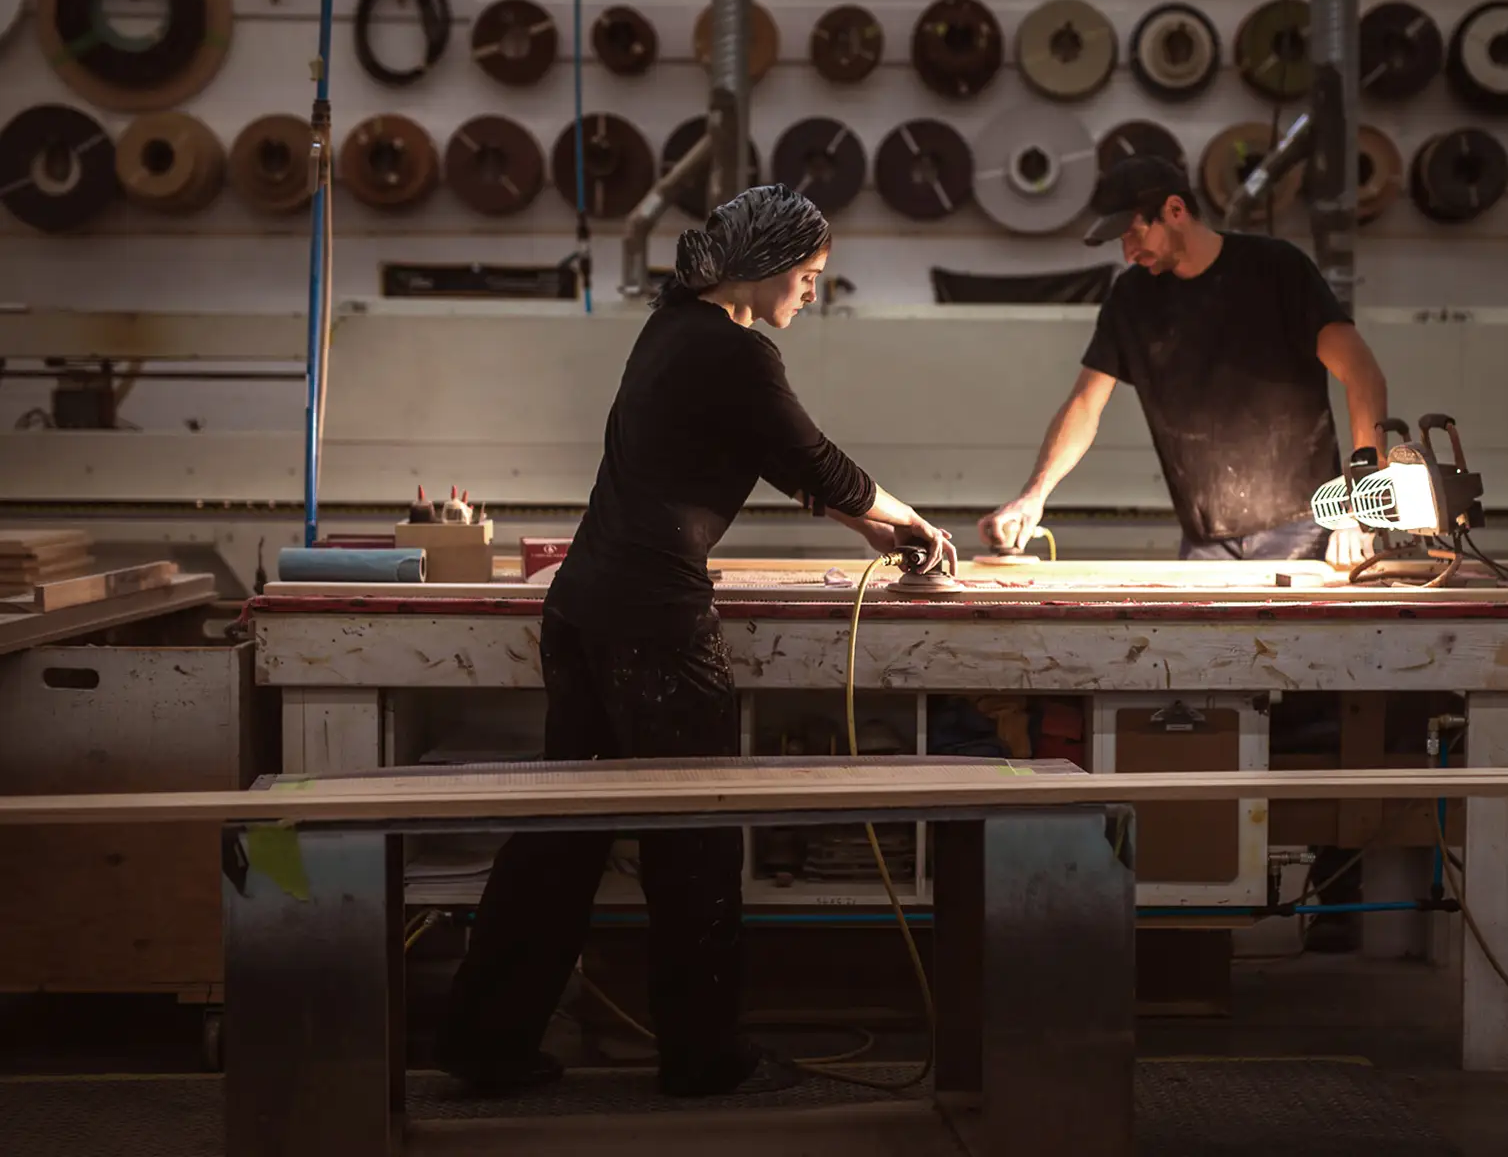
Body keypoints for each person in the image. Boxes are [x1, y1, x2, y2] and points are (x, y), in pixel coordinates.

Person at [437, 184, 956, 1096]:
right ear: (762, 268)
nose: (812, 291)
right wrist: (909, 522)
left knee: (560, 842)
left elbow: (766, 452)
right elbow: (813, 456)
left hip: (584, 612)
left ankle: (484, 1041)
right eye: (809, 274)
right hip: (654, 632)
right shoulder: (736, 352)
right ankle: (706, 1061)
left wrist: (864, 528)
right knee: (698, 842)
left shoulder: (673, 330)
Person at [978, 154, 1391, 949]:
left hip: (1309, 531)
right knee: (1187, 715)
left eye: (1129, 232)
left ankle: (1337, 889)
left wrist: (1364, 499)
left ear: (1172, 210)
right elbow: (1085, 404)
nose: (1123, 251)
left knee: (1331, 710)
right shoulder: (1134, 298)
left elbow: (1361, 370)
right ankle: (1191, 907)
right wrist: (1034, 494)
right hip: (1205, 545)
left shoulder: (1276, 271)